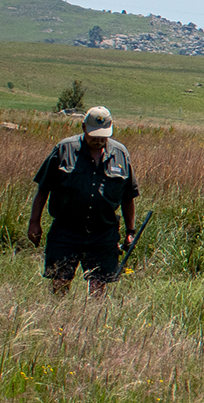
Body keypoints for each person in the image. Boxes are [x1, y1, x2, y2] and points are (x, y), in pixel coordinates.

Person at [27, 106, 139, 297]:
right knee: (60, 280)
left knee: (98, 285)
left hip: (103, 232)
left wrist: (130, 231)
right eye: (94, 134)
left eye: (103, 135)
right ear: (83, 127)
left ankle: (91, 321)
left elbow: (128, 196)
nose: (98, 140)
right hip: (66, 229)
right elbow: (43, 189)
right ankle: (59, 318)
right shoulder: (64, 149)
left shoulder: (120, 154)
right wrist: (34, 223)